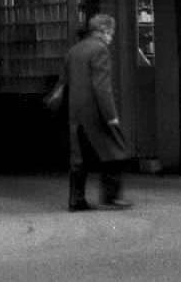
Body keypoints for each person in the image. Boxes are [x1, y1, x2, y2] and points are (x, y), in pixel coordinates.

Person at [60, 12, 133, 211]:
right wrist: (111, 115)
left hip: (76, 112)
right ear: (104, 31)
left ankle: (76, 200)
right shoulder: (100, 50)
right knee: (116, 149)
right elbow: (102, 87)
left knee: (79, 157)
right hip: (95, 111)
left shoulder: (74, 50)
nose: (111, 37)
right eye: (111, 32)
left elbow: (65, 81)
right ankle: (110, 197)